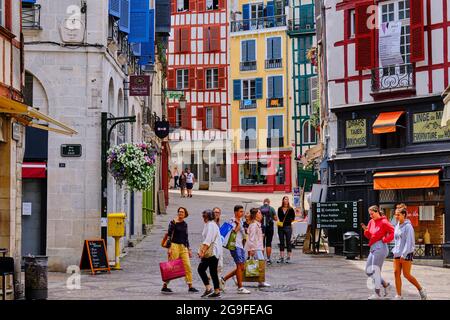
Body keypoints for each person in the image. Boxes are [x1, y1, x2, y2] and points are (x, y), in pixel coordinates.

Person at [392, 207, 427, 300]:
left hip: (406, 253)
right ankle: (399, 295)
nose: (396, 216)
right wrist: (395, 251)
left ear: (404, 215)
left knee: (406, 275)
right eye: (395, 214)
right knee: (396, 273)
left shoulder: (408, 226)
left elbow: (409, 242)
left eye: (398, 214)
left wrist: (404, 254)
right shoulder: (397, 225)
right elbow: (396, 240)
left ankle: (421, 289)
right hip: (396, 253)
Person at [161, 207, 199, 294]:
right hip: (174, 246)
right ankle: (164, 286)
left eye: (182, 212)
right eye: (179, 212)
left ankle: (190, 286)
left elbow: (186, 237)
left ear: (185, 214)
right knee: (171, 267)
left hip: (183, 247)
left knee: (187, 266)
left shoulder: (185, 224)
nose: (180, 213)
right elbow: (169, 236)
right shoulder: (173, 222)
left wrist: (188, 249)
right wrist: (169, 248)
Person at [361, 205, 394, 300]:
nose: (371, 216)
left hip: (380, 247)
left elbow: (393, 232)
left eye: (372, 214)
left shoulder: (384, 222)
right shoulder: (371, 222)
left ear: (377, 212)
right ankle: (386, 284)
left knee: (375, 271)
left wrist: (385, 240)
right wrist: (366, 231)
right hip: (373, 247)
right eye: (370, 214)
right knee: (368, 271)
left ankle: (377, 294)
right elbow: (370, 236)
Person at [220, 205, 251, 294]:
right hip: (234, 245)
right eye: (241, 211)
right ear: (236, 212)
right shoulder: (232, 220)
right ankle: (240, 287)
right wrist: (237, 225)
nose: (242, 213)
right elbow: (233, 232)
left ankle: (224, 279)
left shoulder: (241, 220)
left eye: (242, 211)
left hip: (240, 245)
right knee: (239, 266)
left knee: (242, 267)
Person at [198, 209, 223, 298]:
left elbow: (208, 240)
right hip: (212, 251)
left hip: (212, 251)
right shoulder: (208, 224)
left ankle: (210, 289)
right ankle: (215, 291)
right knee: (212, 272)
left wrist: (202, 251)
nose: (203, 217)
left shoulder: (211, 225)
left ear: (208, 216)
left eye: (204, 216)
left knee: (201, 269)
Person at [245, 208, 271, 288]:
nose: (261, 214)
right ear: (255, 215)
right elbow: (251, 238)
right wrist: (252, 249)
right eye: (259, 213)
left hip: (258, 247)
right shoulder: (253, 225)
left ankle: (261, 281)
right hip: (256, 248)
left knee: (260, 264)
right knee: (260, 263)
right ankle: (261, 281)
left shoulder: (257, 224)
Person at [277, 196, 296, 263]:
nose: (286, 200)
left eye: (287, 199)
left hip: (288, 227)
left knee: (288, 241)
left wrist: (288, 221)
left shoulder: (291, 209)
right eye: (285, 199)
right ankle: (281, 257)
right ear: (283, 200)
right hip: (281, 227)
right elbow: (279, 216)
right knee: (281, 242)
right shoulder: (279, 209)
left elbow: (293, 218)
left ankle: (288, 257)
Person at [260, 198, 277, 265]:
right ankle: (268, 258)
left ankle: (261, 258)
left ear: (263, 202)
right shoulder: (271, 209)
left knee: (262, 244)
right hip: (269, 228)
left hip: (262, 228)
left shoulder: (260, 208)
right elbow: (276, 219)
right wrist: (272, 217)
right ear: (269, 203)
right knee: (268, 243)